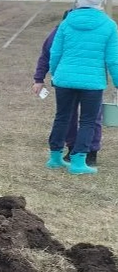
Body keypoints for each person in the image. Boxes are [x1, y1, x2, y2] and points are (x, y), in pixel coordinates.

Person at [45, 0, 118, 175]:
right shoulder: (109, 25)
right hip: (93, 83)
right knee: (88, 121)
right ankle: (78, 162)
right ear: (100, 3)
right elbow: (113, 59)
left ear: (78, 1)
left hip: (64, 80)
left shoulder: (66, 23)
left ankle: (55, 157)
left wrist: (55, 74)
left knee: (62, 117)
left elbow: (55, 52)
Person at [33, 11, 103, 165]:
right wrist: (39, 78)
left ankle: (80, 152)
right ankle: (82, 151)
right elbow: (48, 54)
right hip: (88, 81)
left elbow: (48, 56)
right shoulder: (99, 28)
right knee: (87, 118)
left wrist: (46, 77)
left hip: (68, 81)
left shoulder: (63, 30)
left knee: (70, 116)